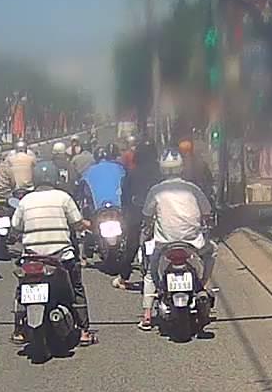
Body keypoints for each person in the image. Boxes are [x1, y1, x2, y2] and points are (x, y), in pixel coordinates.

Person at [9, 160, 95, 346]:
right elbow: (77, 223)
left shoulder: (25, 201)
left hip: (32, 257)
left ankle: (18, 329)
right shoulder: (63, 197)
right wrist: (88, 225)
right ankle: (84, 331)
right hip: (60, 256)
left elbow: (15, 226)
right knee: (76, 288)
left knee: (22, 288)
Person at [138, 150, 215, 330]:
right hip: (193, 243)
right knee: (212, 252)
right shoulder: (193, 189)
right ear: (181, 168)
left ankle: (147, 315)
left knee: (150, 273)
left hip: (165, 244)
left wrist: (148, 227)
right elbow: (207, 213)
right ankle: (203, 285)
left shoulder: (156, 190)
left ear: (161, 169)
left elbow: (147, 216)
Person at [111, 140, 162, 291]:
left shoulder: (132, 173)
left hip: (136, 214)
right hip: (159, 214)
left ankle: (124, 276)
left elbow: (125, 196)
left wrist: (125, 212)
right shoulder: (161, 173)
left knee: (131, 244)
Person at [80, 144, 125, 212]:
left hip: (98, 208)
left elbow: (82, 186)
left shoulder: (89, 170)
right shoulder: (119, 168)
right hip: (117, 207)